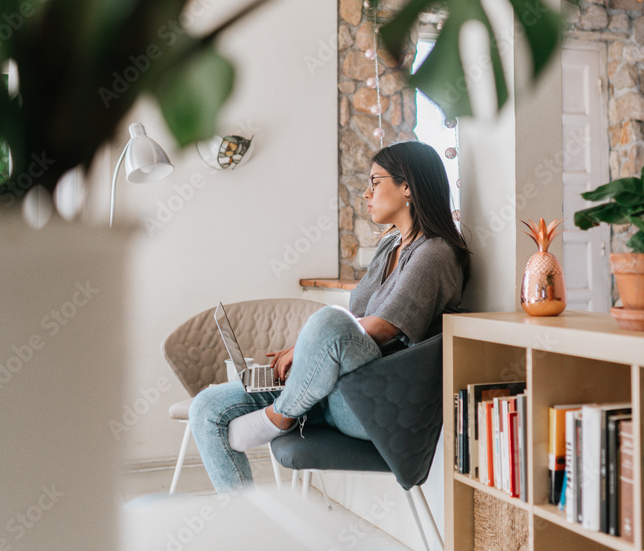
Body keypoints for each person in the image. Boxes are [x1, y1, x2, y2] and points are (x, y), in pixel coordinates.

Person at [189, 140, 471, 493]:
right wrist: (305, 351)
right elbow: (350, 327)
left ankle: (281, 417)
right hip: (331, 388)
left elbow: (381, 327)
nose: (366, 194)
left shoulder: (435, 253)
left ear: (407, 187)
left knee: (329, 319)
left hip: (375, 402)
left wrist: (311, 344)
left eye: (375, 181)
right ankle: (248, 526)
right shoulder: (389, 246)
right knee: (205, 409)